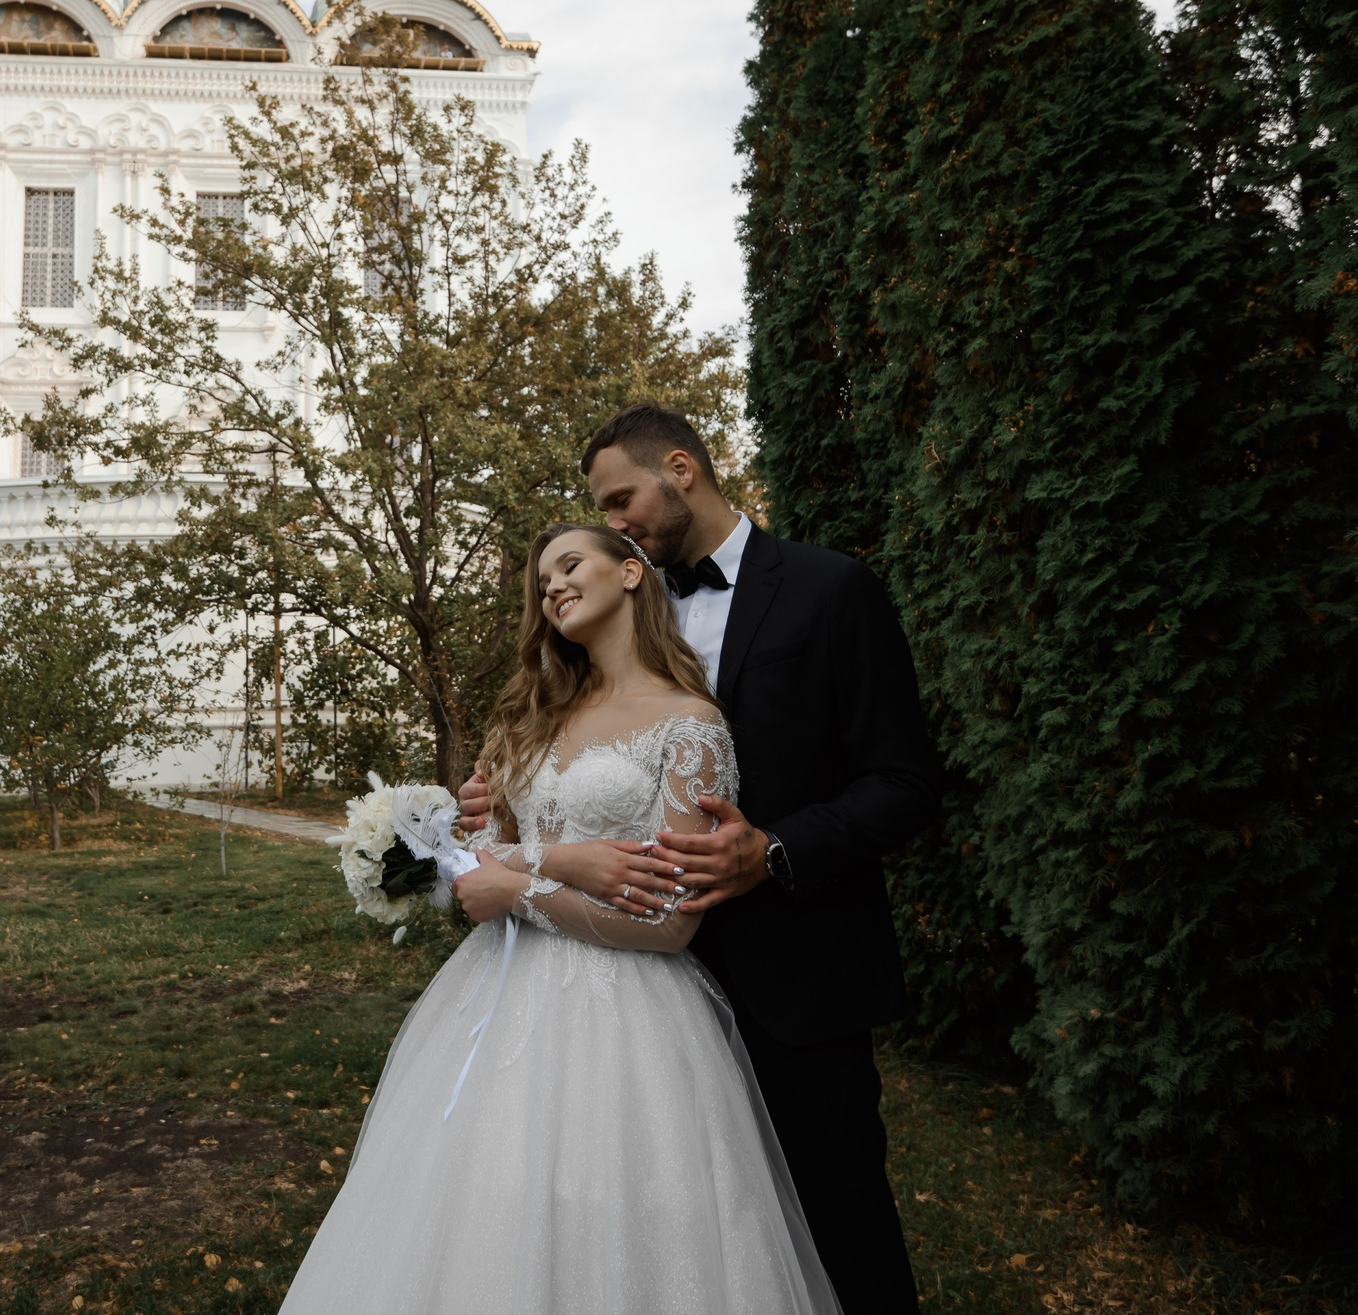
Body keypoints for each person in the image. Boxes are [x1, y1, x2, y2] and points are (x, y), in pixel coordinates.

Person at [280, 523, 836, 1315]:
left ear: (632, 574)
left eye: (569, 565)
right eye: (542, 581)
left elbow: (672, 923)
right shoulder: (530, 714)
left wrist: (516, 884)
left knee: (616, 1213)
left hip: (633, 1013)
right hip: (495, 994)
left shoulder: (691, 724)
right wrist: (562, 864)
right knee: (479, 1202)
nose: (552, 587)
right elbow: (475, 865)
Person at [460, 405, 940, 1315]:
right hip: (627, 993)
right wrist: (508, 801)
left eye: (622, 499)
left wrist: (779, 849)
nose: (615, 522)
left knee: (838, 1220)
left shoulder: (831, 590)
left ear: (682, 466)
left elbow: (906, 780)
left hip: (792, 972)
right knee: (655, 1229)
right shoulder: (611, 616)